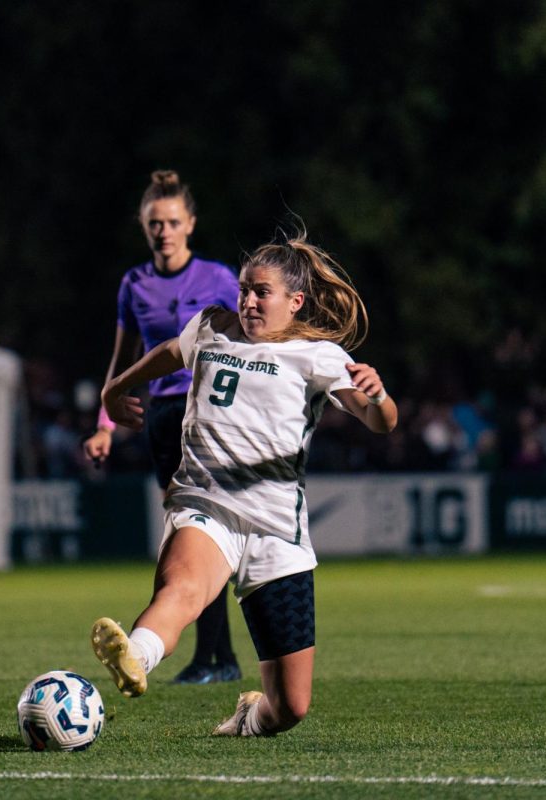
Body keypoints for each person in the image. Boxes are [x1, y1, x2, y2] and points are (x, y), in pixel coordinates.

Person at [90, 227, 397, 738]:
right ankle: (136, 654)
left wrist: (380, 395)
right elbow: (169, 350)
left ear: (295, 301)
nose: (248, 301)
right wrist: (116, 389)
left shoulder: (318, 355)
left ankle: (248, 719)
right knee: (183, 588)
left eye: (262, 292)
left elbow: (380, 423)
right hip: (205, 502)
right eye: (244, 289)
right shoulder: (213, 326)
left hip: (277, 529)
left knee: (291, 708)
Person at [83, 170, 243, 685]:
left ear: (190, 224)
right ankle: (218, 657)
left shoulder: (219, 278)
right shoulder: (135, 284)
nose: (164, 230)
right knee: (189, 532)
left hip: (210, 417)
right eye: (156, 223)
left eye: (173, 221)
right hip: (161, 420)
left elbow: (250, 347)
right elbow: (122, 360)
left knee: (200, 532)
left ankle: (213, 658)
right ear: (143, 226)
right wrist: (105, 424)